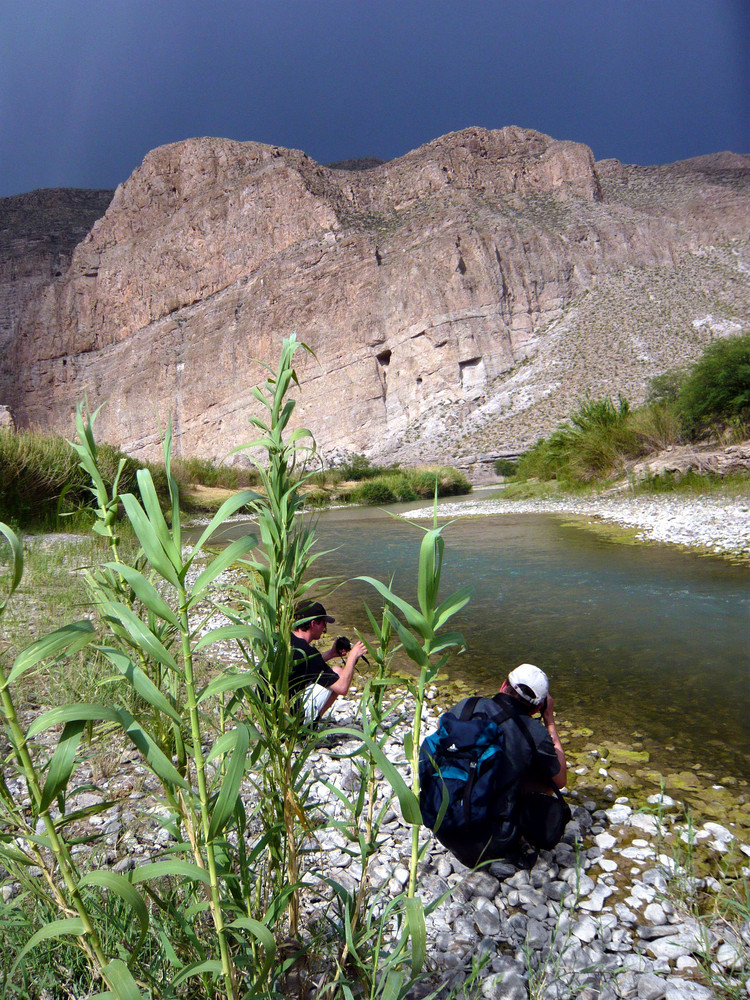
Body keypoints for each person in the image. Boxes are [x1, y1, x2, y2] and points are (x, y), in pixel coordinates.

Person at [430, 662, 568, 869]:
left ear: (503, 686)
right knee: (543, 779)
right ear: (539, 706)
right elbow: (561, 780)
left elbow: (441, 732)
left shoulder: (469, 705)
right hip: (488, 844)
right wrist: (549, 722)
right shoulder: (534, 733)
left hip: (441, 824)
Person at [290, 600, 366, 723]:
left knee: (330, 673)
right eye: (323, 623)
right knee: (338, 673)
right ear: (313, 623)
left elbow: (304, 665)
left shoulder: (285, 640)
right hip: (289, 721)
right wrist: (352, 657)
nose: (325, 627)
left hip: (270, 715)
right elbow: (342, 688)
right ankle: (308, 727)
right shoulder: (308, 652)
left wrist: (331, 654)